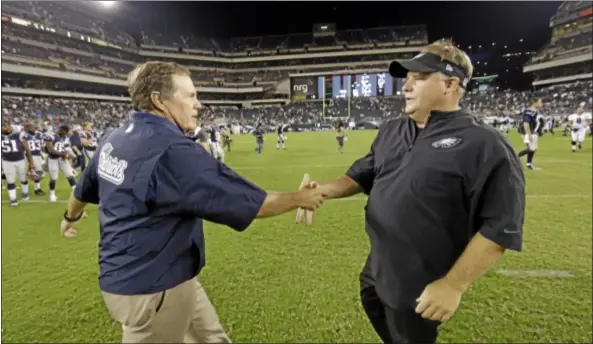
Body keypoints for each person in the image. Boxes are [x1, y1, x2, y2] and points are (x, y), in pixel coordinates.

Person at [59, 61, 326, 343]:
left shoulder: (113, 139)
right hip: (152, 285)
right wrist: (299, 198)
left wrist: (69, 218)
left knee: (211, 338)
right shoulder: (174, 151)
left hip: (155, 275)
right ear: (159, 100)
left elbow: (82, 191)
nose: (198, 104)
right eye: (190, 95)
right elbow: (249, 202)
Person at [304, 39, 526, 344]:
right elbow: (359, 176)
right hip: (378, 269)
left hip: (420, 284)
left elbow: (501, 226)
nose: (406, 87)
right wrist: (320, 191)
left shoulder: (484, 144)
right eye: (406, 79)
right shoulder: (392, 130)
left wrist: (452, 285)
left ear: (450, 84)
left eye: (418, 78)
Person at [517, 98, 543, 170]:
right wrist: (529, 134)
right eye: (540, 102)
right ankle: (515, 157)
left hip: (533, 132)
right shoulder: (530, 111)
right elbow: (526, 123)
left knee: (532, 149)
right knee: (531, 148)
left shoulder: (535, 110)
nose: (541, 104)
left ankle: (529, 164)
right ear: (535, 102)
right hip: (529, 132)